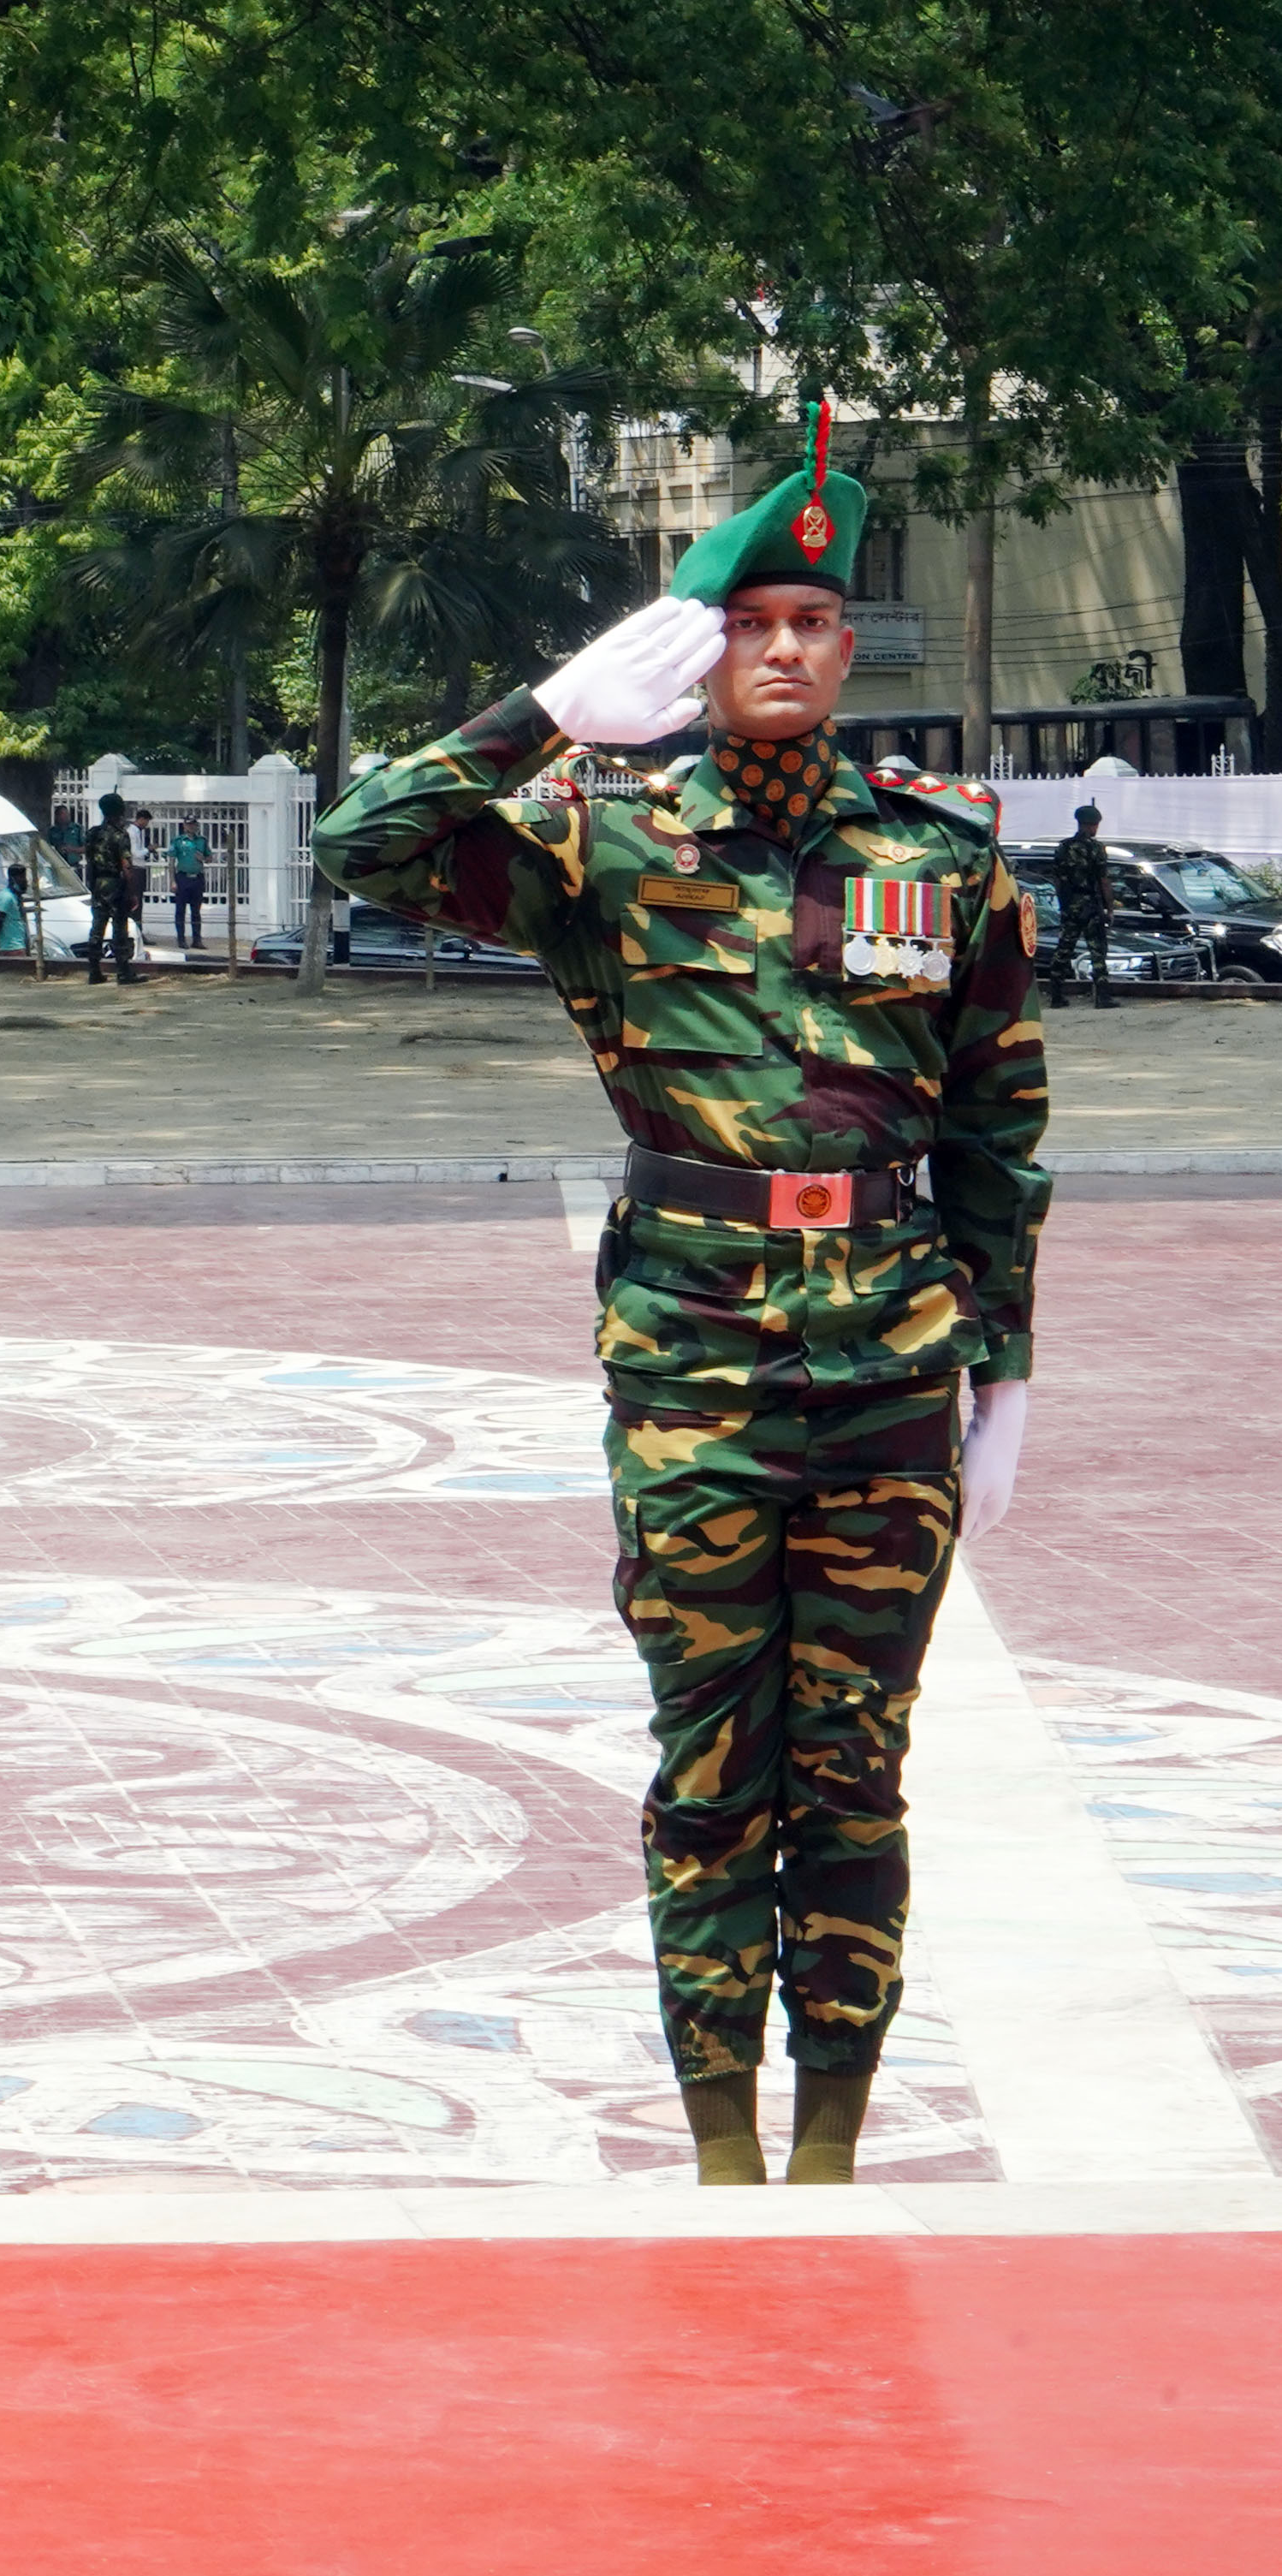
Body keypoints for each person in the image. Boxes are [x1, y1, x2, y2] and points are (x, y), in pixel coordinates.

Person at [312, 415, 1045, 2187]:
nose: (779, 649)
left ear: (847, 648)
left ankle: (835, 2150)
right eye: (747, 622)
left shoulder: (941, 856)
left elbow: (999, 1122)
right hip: (696, 1372)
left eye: (810, 622)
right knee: (713, 1770)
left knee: (856, 1772)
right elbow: (363, 845)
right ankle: (724, 2148)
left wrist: (1005, 1370)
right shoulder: (600, 839)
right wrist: (548, 714)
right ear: (698, 646)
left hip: (889, 1369)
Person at [1051, 799, 1116, 1011]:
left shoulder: (1063, 847)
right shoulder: (1096, 848)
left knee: (1064, 949)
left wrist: (1064, 904)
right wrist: (1110, 908)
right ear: (1092, 824)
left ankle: (1056, 995)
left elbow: (1058, 880)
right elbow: (1103, 880)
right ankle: (1102, 997)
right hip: (1090, 904)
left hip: (1071, 905)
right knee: (1097, 950)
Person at [82, 794, 145, 985]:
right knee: (119, 929)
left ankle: (94, 971)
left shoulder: (93, 833)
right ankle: (124, 973)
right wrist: (132, 892)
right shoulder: (120, 835)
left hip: (98, 883)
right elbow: (126, 865)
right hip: (116, 885)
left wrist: (93, 885)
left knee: (97, 928)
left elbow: (90, 862)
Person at [167, 818, 211, 951]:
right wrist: (173, 881)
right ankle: (181, 939)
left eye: (193, 824)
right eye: (188, 824)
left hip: (197, 878)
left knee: (196, 911)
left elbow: (209, 858)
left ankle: (197, 940)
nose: (191, 827)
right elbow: (171, 862)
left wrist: (202, 858)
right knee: (180, 910)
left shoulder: (202, 841)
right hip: (182, 878)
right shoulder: (178, 841)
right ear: (184, 826)